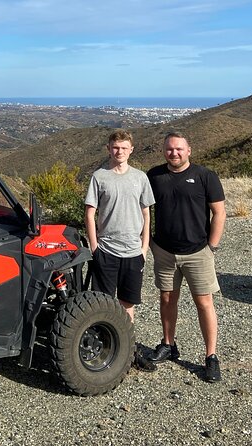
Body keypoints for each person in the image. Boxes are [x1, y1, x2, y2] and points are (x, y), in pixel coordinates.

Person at [146, 131, 226, 383]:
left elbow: (219, 213)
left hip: (197, 252)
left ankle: (211, 356)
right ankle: (168, 344)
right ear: (164, 151)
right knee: (167, 299)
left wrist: (211, 247)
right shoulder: (154, 176)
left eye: (179, 149)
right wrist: (149, 243)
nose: (174, 153)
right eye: (170, 149)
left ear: (189, 150)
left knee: (204, 303)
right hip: (165, 251)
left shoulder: (205, 176)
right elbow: (143, 209)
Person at [85, 129, 156, 372]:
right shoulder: (99, 177)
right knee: (102, 303)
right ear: (109, 149)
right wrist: (95, 247)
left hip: (133, 253)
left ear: (131, 150)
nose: (120, 152)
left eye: (124, 148)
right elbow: (90, 213)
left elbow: (147, 214)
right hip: (106, 251)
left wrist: (144, 249)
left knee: (127, 305)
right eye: (116, 148)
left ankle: (128, 353)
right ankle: (101, 350)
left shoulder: (140, 178)